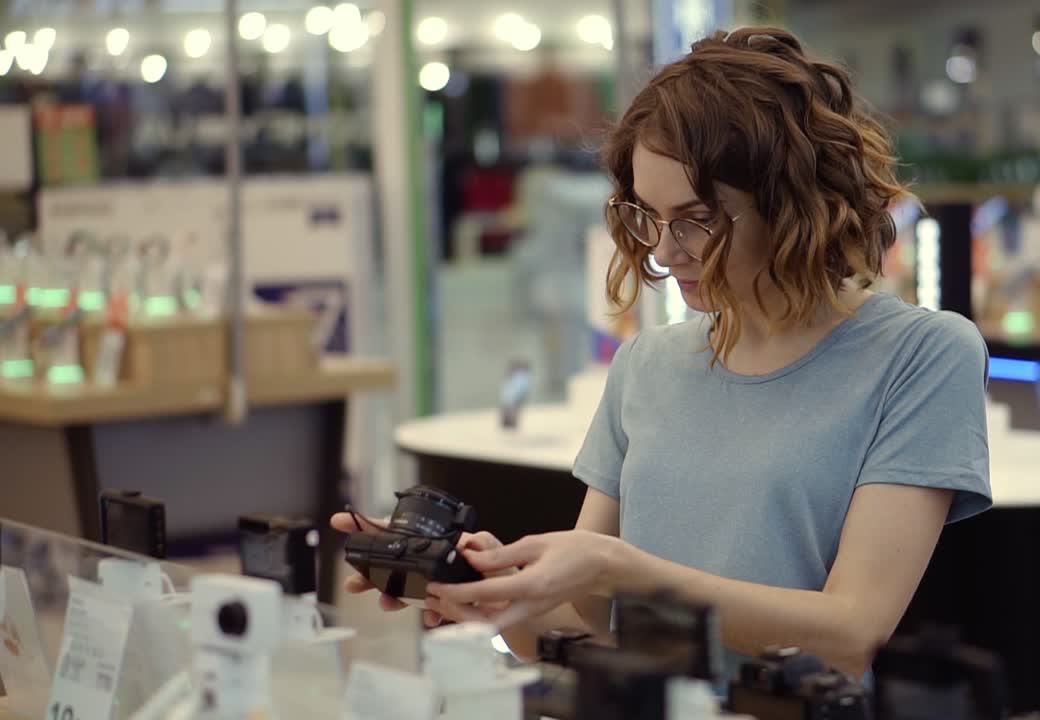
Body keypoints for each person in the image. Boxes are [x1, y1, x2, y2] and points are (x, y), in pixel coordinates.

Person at [332, 26, 991, 679]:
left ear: (790, 204)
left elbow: (851, 630)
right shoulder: (647, 364)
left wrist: (619, 567)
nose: (664, 251)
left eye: (696, 219)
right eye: (648, 216)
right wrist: (501, 601)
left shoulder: (922, 357)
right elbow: (587, 627)